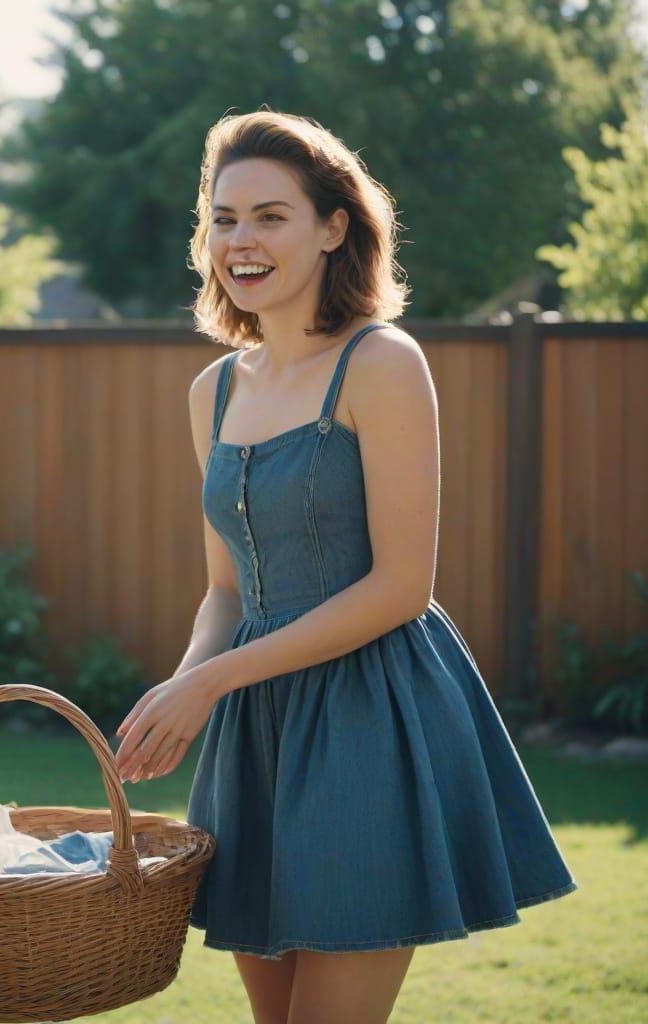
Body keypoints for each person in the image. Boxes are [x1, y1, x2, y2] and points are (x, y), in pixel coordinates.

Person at [112, 109, 578, 1024]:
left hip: (371, 714)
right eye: (224, 218)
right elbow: (224, 588)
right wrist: (183, 685)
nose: (241, 241)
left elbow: (403, 589)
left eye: (271, 216)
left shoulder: (381, 363)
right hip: (256, 729)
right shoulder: (211, 392)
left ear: (334, 228)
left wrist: (212, 684)